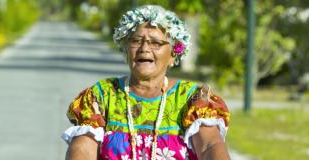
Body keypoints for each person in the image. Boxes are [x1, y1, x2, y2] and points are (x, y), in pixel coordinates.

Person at [62, 5, 231, 160]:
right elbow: (83, 149)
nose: (144, 48)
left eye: (156, 43)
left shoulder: (192, 99)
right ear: (126, 49)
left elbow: (210, 146)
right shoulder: (102, 95)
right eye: (136, 41)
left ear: (173, 54)